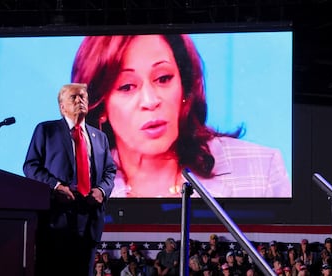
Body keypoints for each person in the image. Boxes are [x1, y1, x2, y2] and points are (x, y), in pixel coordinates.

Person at [70, 34, 291, 198]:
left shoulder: (261, 168)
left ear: (184, 87)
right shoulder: (82, 182)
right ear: (101, 107)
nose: (150, 101)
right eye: (127, 86)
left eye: (163, 78)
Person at [23, 83, 117, 276]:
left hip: (90, 217)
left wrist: (101, 190)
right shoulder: (46, 130)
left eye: (83, 96)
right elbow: (31, 166)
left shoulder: (99, 137)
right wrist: (56, 187)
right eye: (73, 97)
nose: (79, 100)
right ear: (62, 106)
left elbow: (110, 170)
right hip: (57, 216)